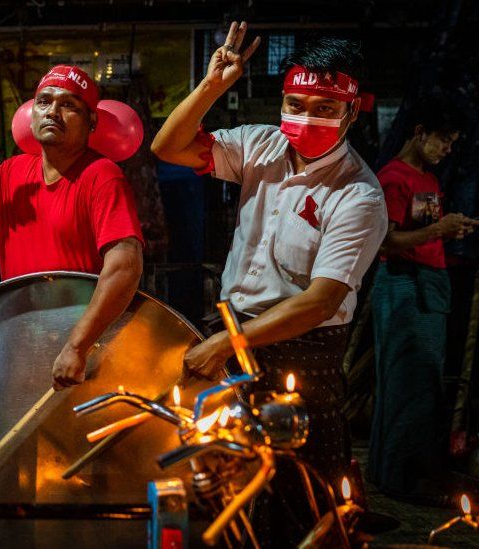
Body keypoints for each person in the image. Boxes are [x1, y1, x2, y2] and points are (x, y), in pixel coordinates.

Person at [152, 23, 388, 540]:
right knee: (228, 483)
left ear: (352, 112)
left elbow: (321, 302)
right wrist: (212, 86)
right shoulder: (260, 145)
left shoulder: (359, 196)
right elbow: (167, 147)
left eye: (325, 108)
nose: (306, 118)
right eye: (296, 102)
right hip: (234, 336)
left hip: (303, 350)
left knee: (305, 492)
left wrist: (224, 343)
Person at [0, 65, 144, 391]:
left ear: (91, 122)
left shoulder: (102, 175)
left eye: (69, 105)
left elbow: (124, 267)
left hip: (84, 348)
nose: (53, 112)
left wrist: (78, 345)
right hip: (23, 343)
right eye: (44, 102)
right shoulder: (12, 172)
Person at [368, 96, 477, 503]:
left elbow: (421, 231)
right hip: (403, 285)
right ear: (419, 134)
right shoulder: (393, 178)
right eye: (444, 141)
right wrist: (437, 232)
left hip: (427, 285)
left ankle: (388, 473)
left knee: (415, 382)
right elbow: (386, 240)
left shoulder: (428, 178)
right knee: (408, 384)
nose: (447, 150)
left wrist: (449, 230)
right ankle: (402, 479)